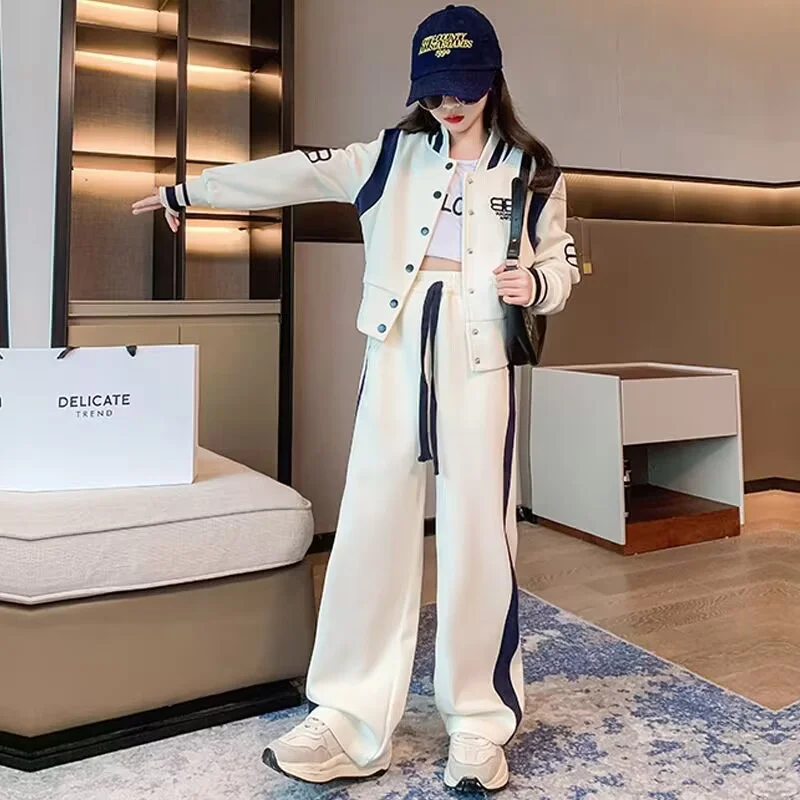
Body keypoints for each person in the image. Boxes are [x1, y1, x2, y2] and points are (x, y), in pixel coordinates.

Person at [133, 4, 580, 792]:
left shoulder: (534, 169)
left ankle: (479, 723)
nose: (450, 104)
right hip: (396, 344)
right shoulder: (387, 156)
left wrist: (537, 283)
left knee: (481, 533)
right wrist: (188, 192)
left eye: (464, 87)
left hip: (482, 357)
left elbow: (562, 261)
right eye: (435, 90)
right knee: (371, 523)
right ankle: (347, 718)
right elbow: (293, 172)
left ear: (492, 79)